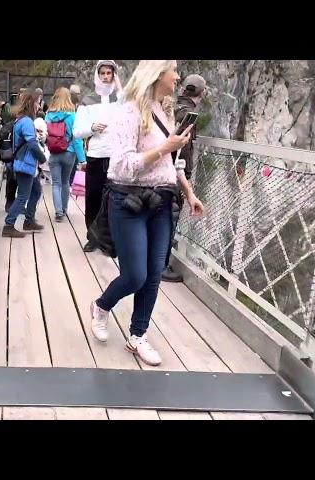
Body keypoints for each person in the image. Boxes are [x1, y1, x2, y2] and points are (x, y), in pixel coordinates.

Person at [89, 61, 204, 366]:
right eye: (174, 70)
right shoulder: (128, 112)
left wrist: (189, 192)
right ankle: (101, 306)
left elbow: (173, 163)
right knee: (136, 275)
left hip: (162, 201)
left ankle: (137, 336)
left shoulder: (166, 110)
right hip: (129, 201)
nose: (178, 76)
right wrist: (166, 147)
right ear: (157, 74)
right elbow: (123, 164)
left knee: (154, 274)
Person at [73, 60, 123, 252]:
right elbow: (77, 131)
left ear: (113, 75)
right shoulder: (87, 101)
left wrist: (119, 88)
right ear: (97, 75)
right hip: (95, 156)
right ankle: (92, 238)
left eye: (109, 73)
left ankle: (110, 240)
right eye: (102, 73)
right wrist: (92, 128)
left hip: (116, 157)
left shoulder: (120, 99)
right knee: (93, 198)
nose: (105, 76)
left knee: (114, 199)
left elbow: (131, 110)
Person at [162, 73, 207, 283]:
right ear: (202, 93)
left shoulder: (173, 107)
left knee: (164, 214)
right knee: (171, 216)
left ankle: (157, 261)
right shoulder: (189, 113)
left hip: (164, 167)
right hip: (176, 171)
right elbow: (184, 148)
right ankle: (161, 264)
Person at [2, 89, 48, 238]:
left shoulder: (20, 120)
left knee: (36, 191)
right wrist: (42, 158)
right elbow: (32, 144)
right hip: (25, 164)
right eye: (37, 102)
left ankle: (29, 220)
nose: (39, 105)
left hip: (23, 163)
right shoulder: (27, 121)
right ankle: (9, 225)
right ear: (31, 103)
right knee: (23, 196)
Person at [44, 87, 86, 222]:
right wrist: (82, 159)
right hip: (69, 153)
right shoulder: (72, 116)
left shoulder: (48, 115)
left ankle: (58, 212)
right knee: (65, 182)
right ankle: (64, 209)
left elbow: (45, 135)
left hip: (54, 153)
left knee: (55, 183)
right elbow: (77, 139)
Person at [68, 84, 82, 186]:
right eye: (77, 94)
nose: (79, 95)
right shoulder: (69, 107)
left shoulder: (78, 106)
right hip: (70, 144)